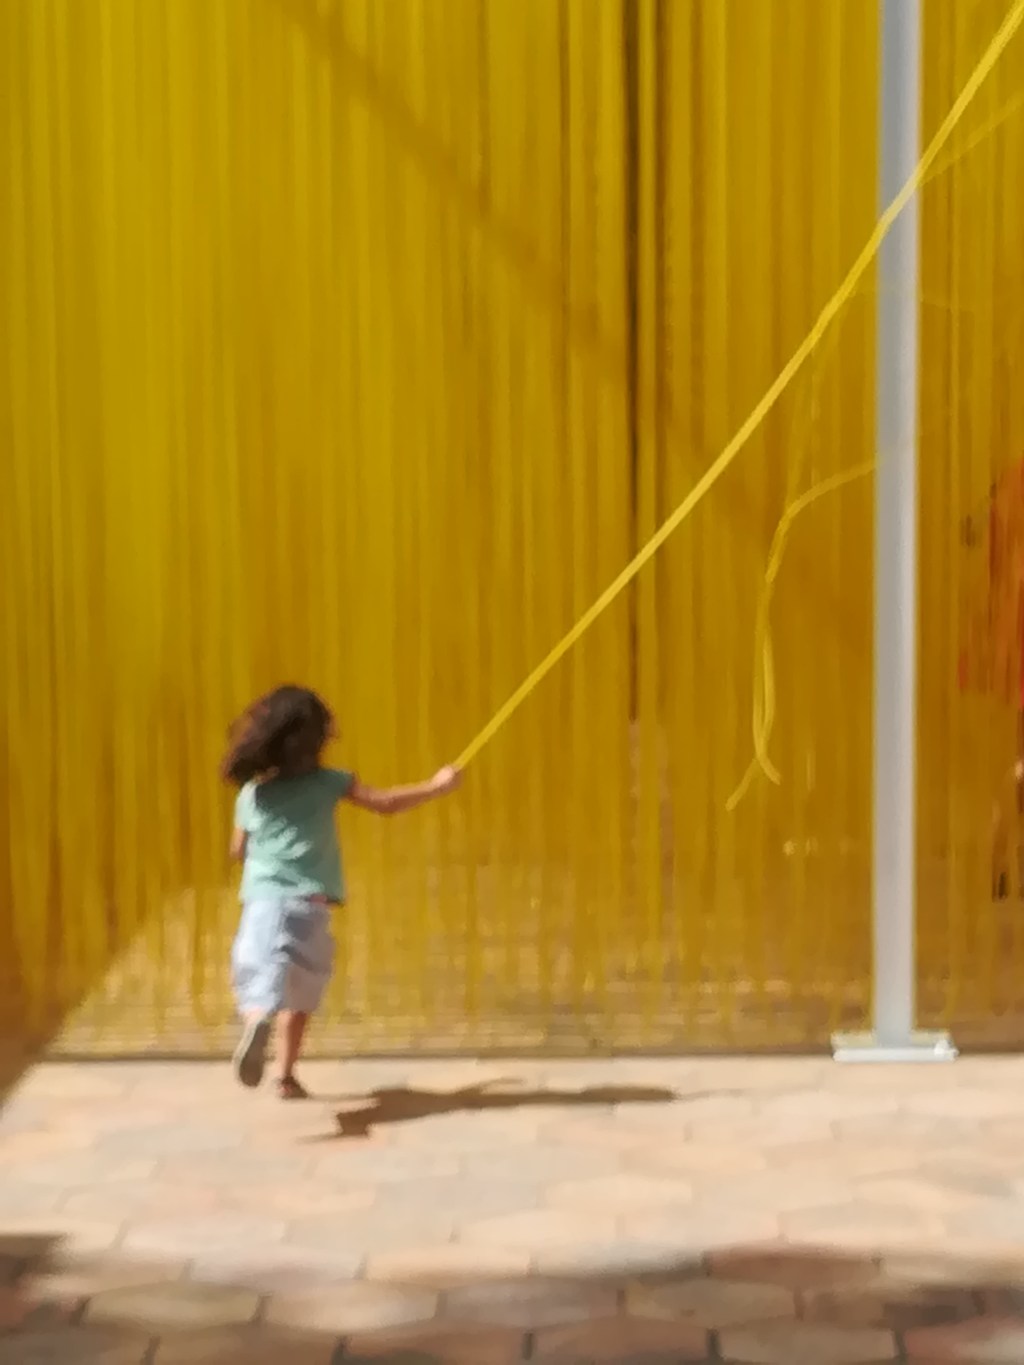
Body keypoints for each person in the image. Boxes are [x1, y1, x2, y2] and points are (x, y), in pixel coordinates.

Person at [220, 684, 460, 1098]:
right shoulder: (330, 782)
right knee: (302, 993)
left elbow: (237, 850)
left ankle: (257, 1018)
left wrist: (262, 851)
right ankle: (285, 1074)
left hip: (265, 902)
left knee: (259, 975)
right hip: (313, 907)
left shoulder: (252, 794)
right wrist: (436, 785)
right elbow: (385, 804)